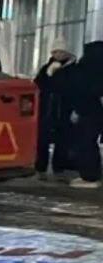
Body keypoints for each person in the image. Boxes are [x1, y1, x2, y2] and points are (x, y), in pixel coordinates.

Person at [66, 39, 103, 190]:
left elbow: (78, 89)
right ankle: (90, 174)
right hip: (93, 112)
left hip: (86, 112)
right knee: (88, 144)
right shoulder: (96, 70)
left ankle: (89, 176)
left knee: (85, 144)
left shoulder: (85, 69)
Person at [34, 45, 76, 179]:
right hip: (47, 108)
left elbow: (70, 88)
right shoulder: (47, 68)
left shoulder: (72, 69)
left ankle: (59, 167)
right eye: (55, 51)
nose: (57, 54)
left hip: (63, 108)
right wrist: (48, 75)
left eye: (60, 51)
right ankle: (41, 166)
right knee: (43, 139)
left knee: (62, 139)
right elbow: (38, 85)